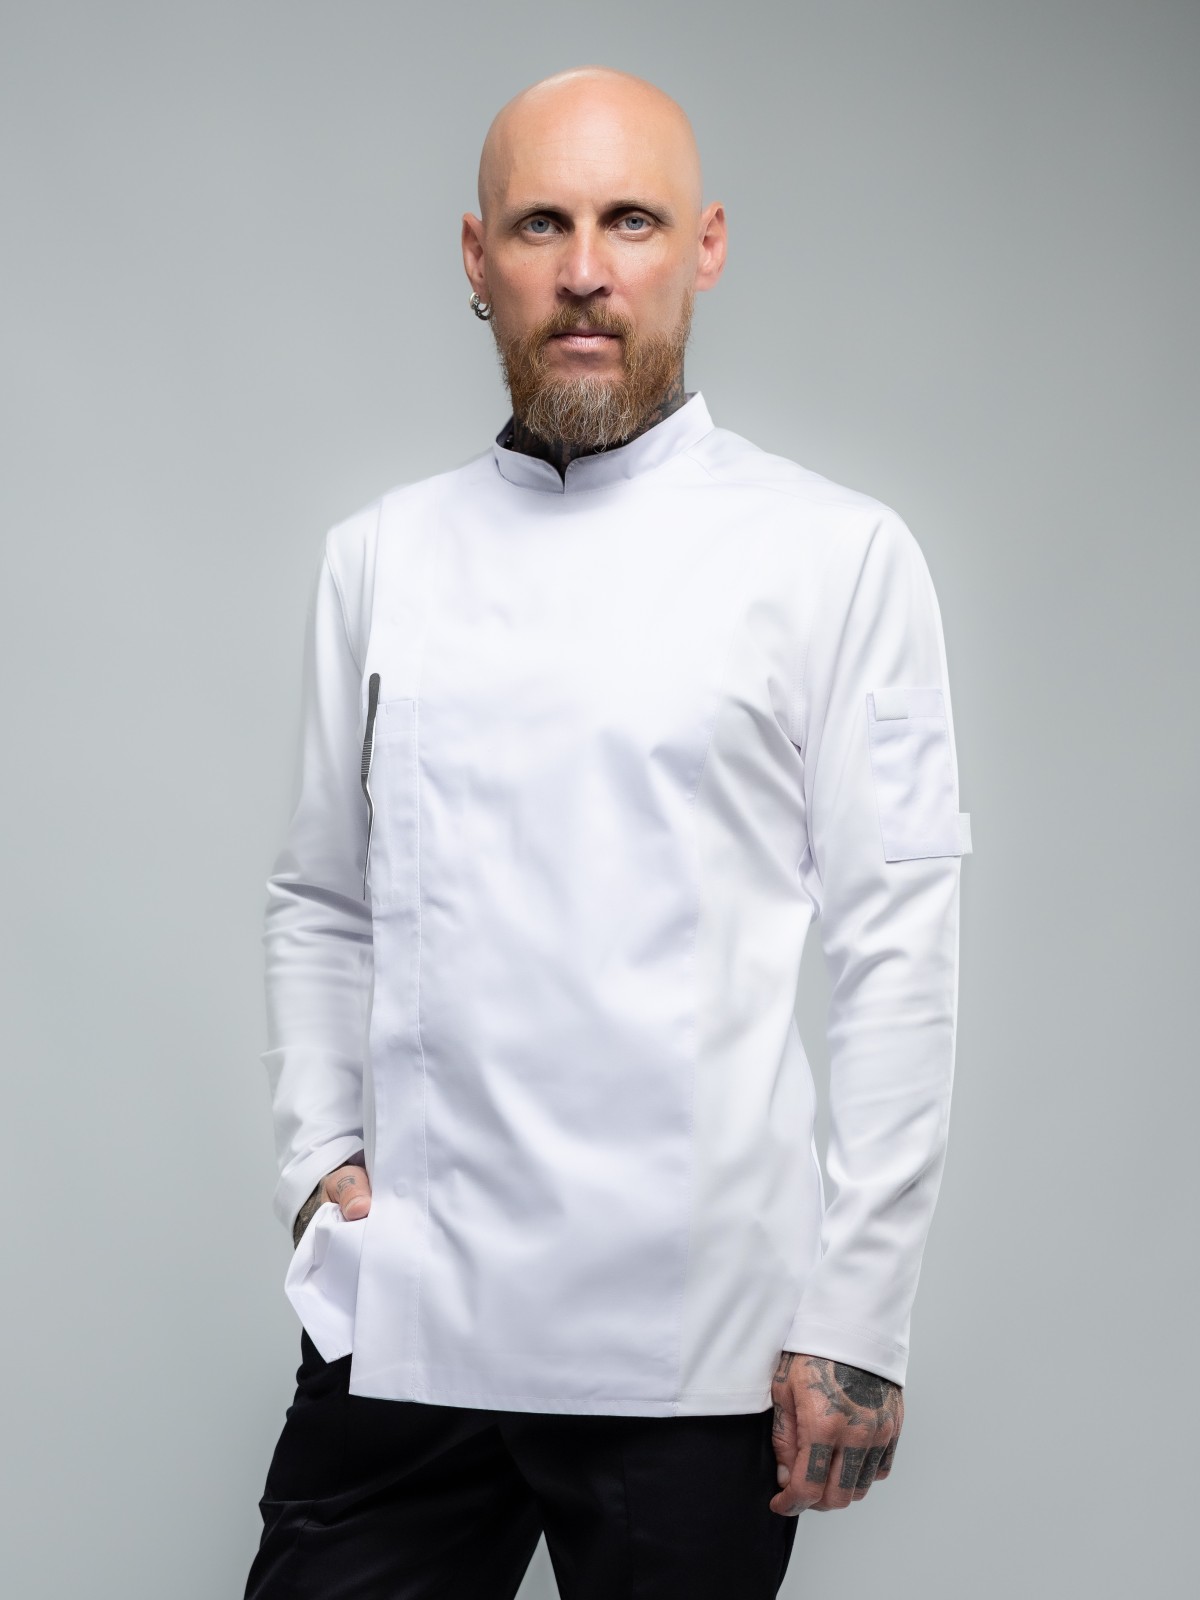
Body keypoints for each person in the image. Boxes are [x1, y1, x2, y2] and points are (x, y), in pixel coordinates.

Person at [244, 63, 972, 1600]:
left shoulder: (837, 557)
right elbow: (320, 894)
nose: (584, 270)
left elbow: (899, 947)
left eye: (629, 221)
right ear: (477, 257)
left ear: (704, 247)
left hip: (692, 1351)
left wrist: (859, 1314)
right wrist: (318, 1158)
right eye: (541, 225)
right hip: (411, 1322)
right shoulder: (379, 556)